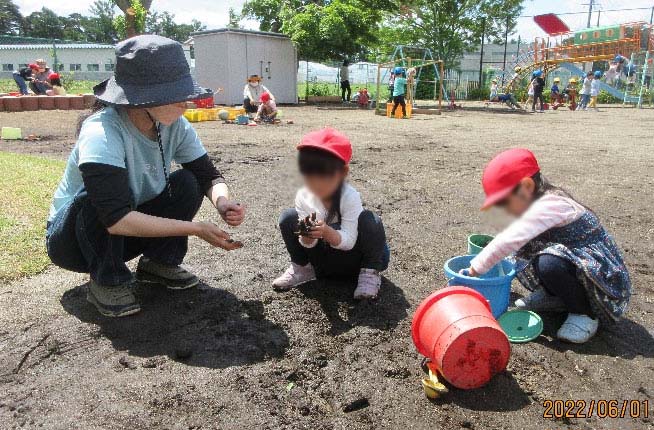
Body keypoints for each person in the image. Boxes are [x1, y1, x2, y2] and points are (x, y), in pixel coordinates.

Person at [46, 35, 246, 318]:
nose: (186, 104)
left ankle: (159, 263)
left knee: (187, 182)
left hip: (128, 232)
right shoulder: (101, 131)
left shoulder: (174, 125)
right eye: (178, 96)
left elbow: (206, 175)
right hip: (75, 242)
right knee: (101, 196)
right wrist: (196, 228)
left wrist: (223, 202)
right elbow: (114, 217)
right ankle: (107, 279)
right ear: (143, 99)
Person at [463, 149, 631, 343]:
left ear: (526, 186)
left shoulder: (550, 205)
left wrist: (475, 268)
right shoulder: (535, 201)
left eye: (503, 202)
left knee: (548, 263)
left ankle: (583, 313)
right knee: (525, 252)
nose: (502, 209)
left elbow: (510, 239)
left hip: (598, 272)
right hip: (573, 261)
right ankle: (556, 297)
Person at [273, 128, 390, 300]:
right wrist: (307, 236)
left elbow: (349, 241)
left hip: (355, 260)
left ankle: (369, 274)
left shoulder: (349, 196)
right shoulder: (303, 196)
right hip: (326, 261)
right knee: (288, 218)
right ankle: (303, 269)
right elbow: (307, 244)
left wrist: (326, 231)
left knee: (371, 220)